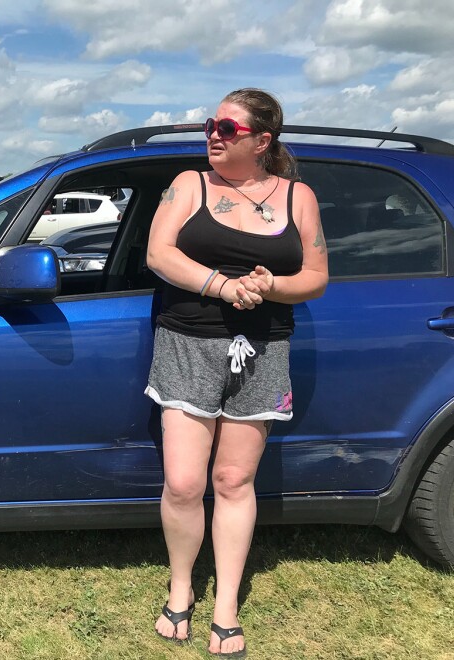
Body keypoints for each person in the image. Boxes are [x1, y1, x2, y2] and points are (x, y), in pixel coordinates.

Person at [145, 88, 328, 658]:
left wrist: (272, 285)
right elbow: (158, 253)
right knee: (183, 482)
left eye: (227, 127)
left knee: (232, 482)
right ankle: (181, 589)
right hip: (187, 343)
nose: (213, 135)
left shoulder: (299, 197)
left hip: (265, 346)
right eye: (210, 124)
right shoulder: (188, 184)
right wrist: (222, 285)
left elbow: (317, 275)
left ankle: (225, 606)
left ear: (262, 140)